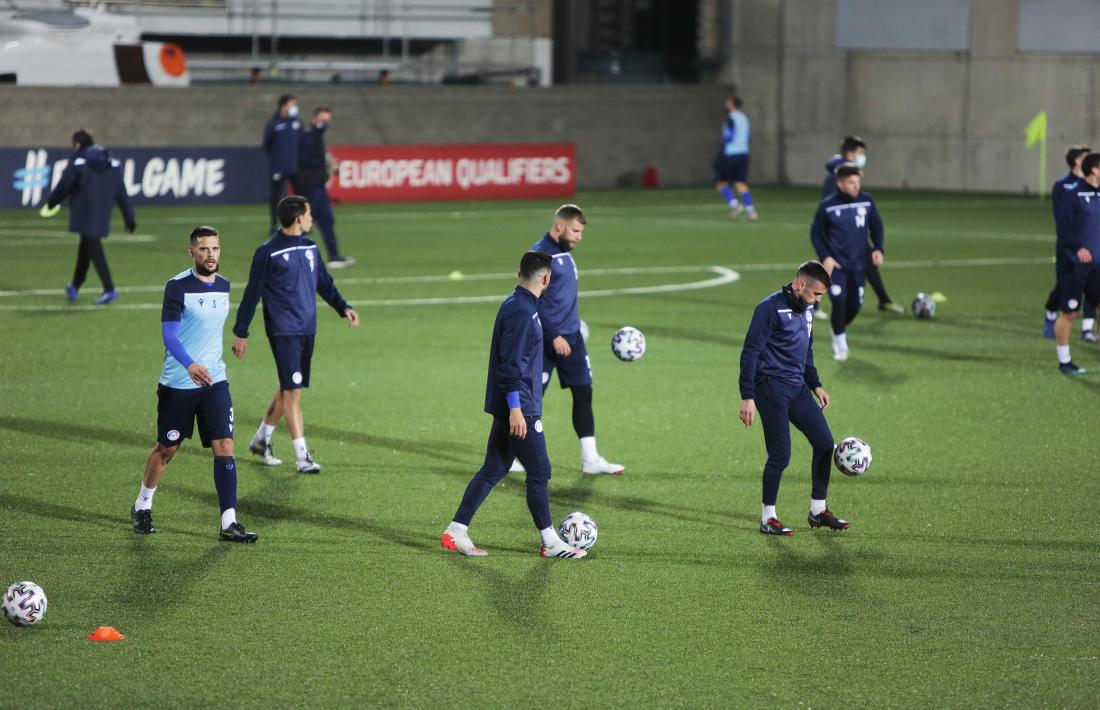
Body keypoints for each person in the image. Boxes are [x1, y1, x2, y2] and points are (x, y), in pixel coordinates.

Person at [440, 250, 587, 559]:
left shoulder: (520, 304)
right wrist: (516, 409)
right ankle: (551, 542)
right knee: (540, 471)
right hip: (520, 405)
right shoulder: (522, 312)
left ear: (518, 274)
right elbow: (509, 366)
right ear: (546, 279)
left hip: (514, 402)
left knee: (494, 467)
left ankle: (456, 529)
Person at [131, 226, 257, 542]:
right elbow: (170, 335)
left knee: (225, 446)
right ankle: (143, 504)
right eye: (204, 249)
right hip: (179, 382)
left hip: (215, 380)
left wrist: (239, 337)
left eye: (215, 248)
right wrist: (189, 364)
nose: (210, 255)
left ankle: (229, 521)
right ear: (191, 252)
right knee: (168, 448)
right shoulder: (177, 287)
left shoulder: (225, 285)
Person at [233, 195, 360, 472]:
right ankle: (302, 456)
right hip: (283, 330)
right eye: (309, 213)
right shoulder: (268, 252)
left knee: (291, 386)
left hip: (306, 328)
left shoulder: (310, 247)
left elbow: (324, 283)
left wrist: (343, 306)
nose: (312, 218)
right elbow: (252, 293)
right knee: (293, 390)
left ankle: (261, 439)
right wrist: (241, 331)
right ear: (298, 218)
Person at [511, 204, 623, 476]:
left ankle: (591, 459)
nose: (578, 237)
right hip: (546, 341)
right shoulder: (541, 254)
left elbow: (561, 297)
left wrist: (573, 327)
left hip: (571, 338)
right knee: (532, 398)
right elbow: (532, 301)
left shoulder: (562, 252)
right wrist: (554, 335)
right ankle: (514, 455)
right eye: (575, 231)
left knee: (583, 392)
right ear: (559, 226)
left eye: (581, 232)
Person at [739, 261, 847, 536]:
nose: (818, 300)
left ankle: (818, 511)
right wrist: (747, 396)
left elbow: (805, 351)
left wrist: (816, 384)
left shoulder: (807, 311)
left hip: (798, 388)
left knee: (825, 444)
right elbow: (750, 351)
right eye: (816, 294)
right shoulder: (770, 308)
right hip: (770, 388)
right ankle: (768, 518)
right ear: (800, 285)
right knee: (781, 455)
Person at [45, 130, 135, 305]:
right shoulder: (111, 162)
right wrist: (129, 216)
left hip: (83, 212)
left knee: (93, 248)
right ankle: (75, 285)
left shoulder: (78, 161)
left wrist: (52, 202)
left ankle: (109, 289)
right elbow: (121, 191)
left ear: (77, 144)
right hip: (102, 212)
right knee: (85, 248)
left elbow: (65, 185)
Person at [810, 163, 886, 361]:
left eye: (858, 182)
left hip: (859, 265)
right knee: (839, 302)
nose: (856, 186)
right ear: (840, 183)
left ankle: (838, 327)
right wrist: (826, 256)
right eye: (851, 183)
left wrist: (878, 248)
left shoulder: (867, 201)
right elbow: (816, 234)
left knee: (855, 306)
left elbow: (877, 226)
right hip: (836, 267)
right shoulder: (827, 205)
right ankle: (840, 343)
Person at [822, 137, 903, 315]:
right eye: (860, 154)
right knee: (830, 267)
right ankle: (810, 305)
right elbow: (829, 206)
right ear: (851, 153)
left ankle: (884, 300)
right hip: (839, 234)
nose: (863, 157)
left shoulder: (849, 172)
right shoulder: (837, 175)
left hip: (855, 232)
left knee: (868, 263)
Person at [1053, 152, 1100, 375]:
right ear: (1095, 170)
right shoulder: (1073, 194)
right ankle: (1064, 362)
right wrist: (1077, 248)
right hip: (1075, 265)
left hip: (1098, 264)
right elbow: (1062, 229)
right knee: (1070, 313)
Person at [1044, 145, 1097, 342]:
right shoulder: (1064, 186)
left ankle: (1087, 329)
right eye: (1085, 157)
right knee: (1064, 288)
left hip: (1091, 247)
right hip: (1069, 248)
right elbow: (1062, 220)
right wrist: (1075, 244)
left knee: (1094, 288)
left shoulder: (1093, 188)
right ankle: (1050, 313)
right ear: (1077, 161)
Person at [297, 106, 355, 269]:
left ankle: (334, 256)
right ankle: (292, 256)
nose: (325, 123)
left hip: (318, 184)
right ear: (314, 118)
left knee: (327, 220)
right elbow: (304, 160)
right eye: (322, 120)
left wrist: (326, 164)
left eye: (327, 121)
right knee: (305, 222)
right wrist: (324, 163)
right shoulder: (308, 136)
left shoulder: (317, 136)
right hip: (309, 184)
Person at [712, 95, 757, 220]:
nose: (726, 104)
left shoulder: (730, 118)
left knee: (720, 182)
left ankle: (735, 204)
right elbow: (749, 136)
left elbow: (729, 137)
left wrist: (723, 146)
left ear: (731, 104)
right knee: (741, 184)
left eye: (728, 102)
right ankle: (751, 210)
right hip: (744, 153)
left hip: (731, 153)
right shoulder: (744, 118)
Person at [262, 95, 302, 231]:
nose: (294, 107)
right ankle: (275, 224)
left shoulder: (298, 122)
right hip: (278, 167)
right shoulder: (273, 124)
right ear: (283, 106)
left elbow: (302, 142)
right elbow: (267, 145)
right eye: (292, 104)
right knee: (277, 197)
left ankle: (301, 223)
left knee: (300, 197)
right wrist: (278, 157)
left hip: (295, 166)